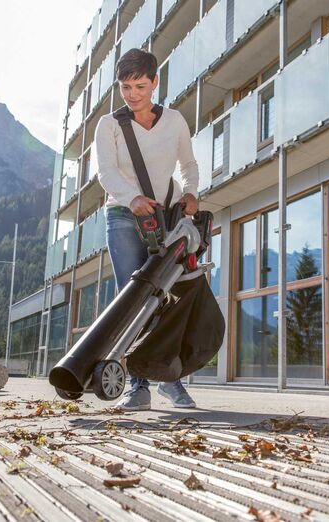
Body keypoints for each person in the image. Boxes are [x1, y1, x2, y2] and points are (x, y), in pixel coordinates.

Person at [94, 48, 199, 411]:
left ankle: (171, 381)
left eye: (140, 85)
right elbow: (105, 173)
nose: (133, 94)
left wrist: (191, 193)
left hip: (166, 219)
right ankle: (137, 386)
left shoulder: (175, 121)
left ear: (155, 82)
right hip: (123, 216)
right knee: (133, 299)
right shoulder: (109, 125)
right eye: (126, 87)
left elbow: (188, 163)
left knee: (167, 298)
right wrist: (132, 197)